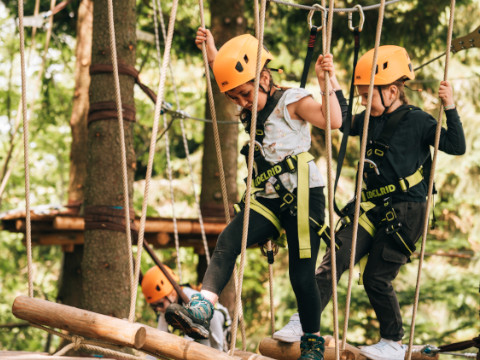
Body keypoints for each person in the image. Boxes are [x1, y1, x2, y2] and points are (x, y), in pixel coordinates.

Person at [272, 45, 466, 360]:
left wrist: (451, 106)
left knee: (377, 277)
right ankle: (305, 321)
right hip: (371, 207)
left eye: (368, 95)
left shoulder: (418, 121)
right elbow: (342, 119)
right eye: (361, 95)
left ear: (392, 90)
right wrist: (329, 82)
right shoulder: (368, 119)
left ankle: (391, 340)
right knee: (334, 257)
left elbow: (456, 146)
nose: (364, 101)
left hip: (407, 210)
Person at [164, 27, 345, 360]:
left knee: (301, 275)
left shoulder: (292, 101)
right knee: (228, 241)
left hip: (304, 195)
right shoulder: (250, 100)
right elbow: (228, 71)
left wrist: (325, 82)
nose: (243, 103)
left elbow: (332, 120)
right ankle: (203, 307)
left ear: (264, 77)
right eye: (236, 99)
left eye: (246, 94)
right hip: (270, 198)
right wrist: (212, 51)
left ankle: (313, 343)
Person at [141, 265, 231, 353]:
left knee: (204, 340)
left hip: (216, 323)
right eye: (153, 306)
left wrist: (218, 351)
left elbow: (212, 318)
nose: (158, 309)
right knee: (198, 345)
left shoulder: (189, 296)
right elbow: (159, 338)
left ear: (172, 294)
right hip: (199, 331)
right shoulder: (166, 310)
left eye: (160, 304)